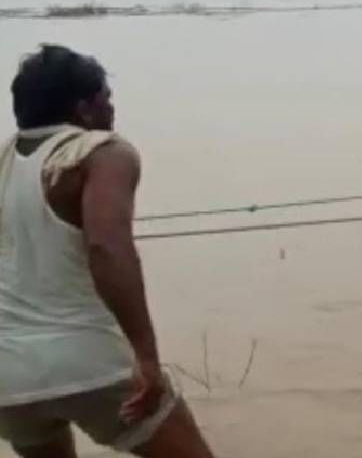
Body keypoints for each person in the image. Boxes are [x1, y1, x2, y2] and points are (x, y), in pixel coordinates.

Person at [0, 45, 215, 457]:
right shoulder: (102, 153)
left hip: (7, 376)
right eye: (107, 99)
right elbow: (106, 247)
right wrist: (147, 359)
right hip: (89, 364)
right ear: (85, 108)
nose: (112, 110)